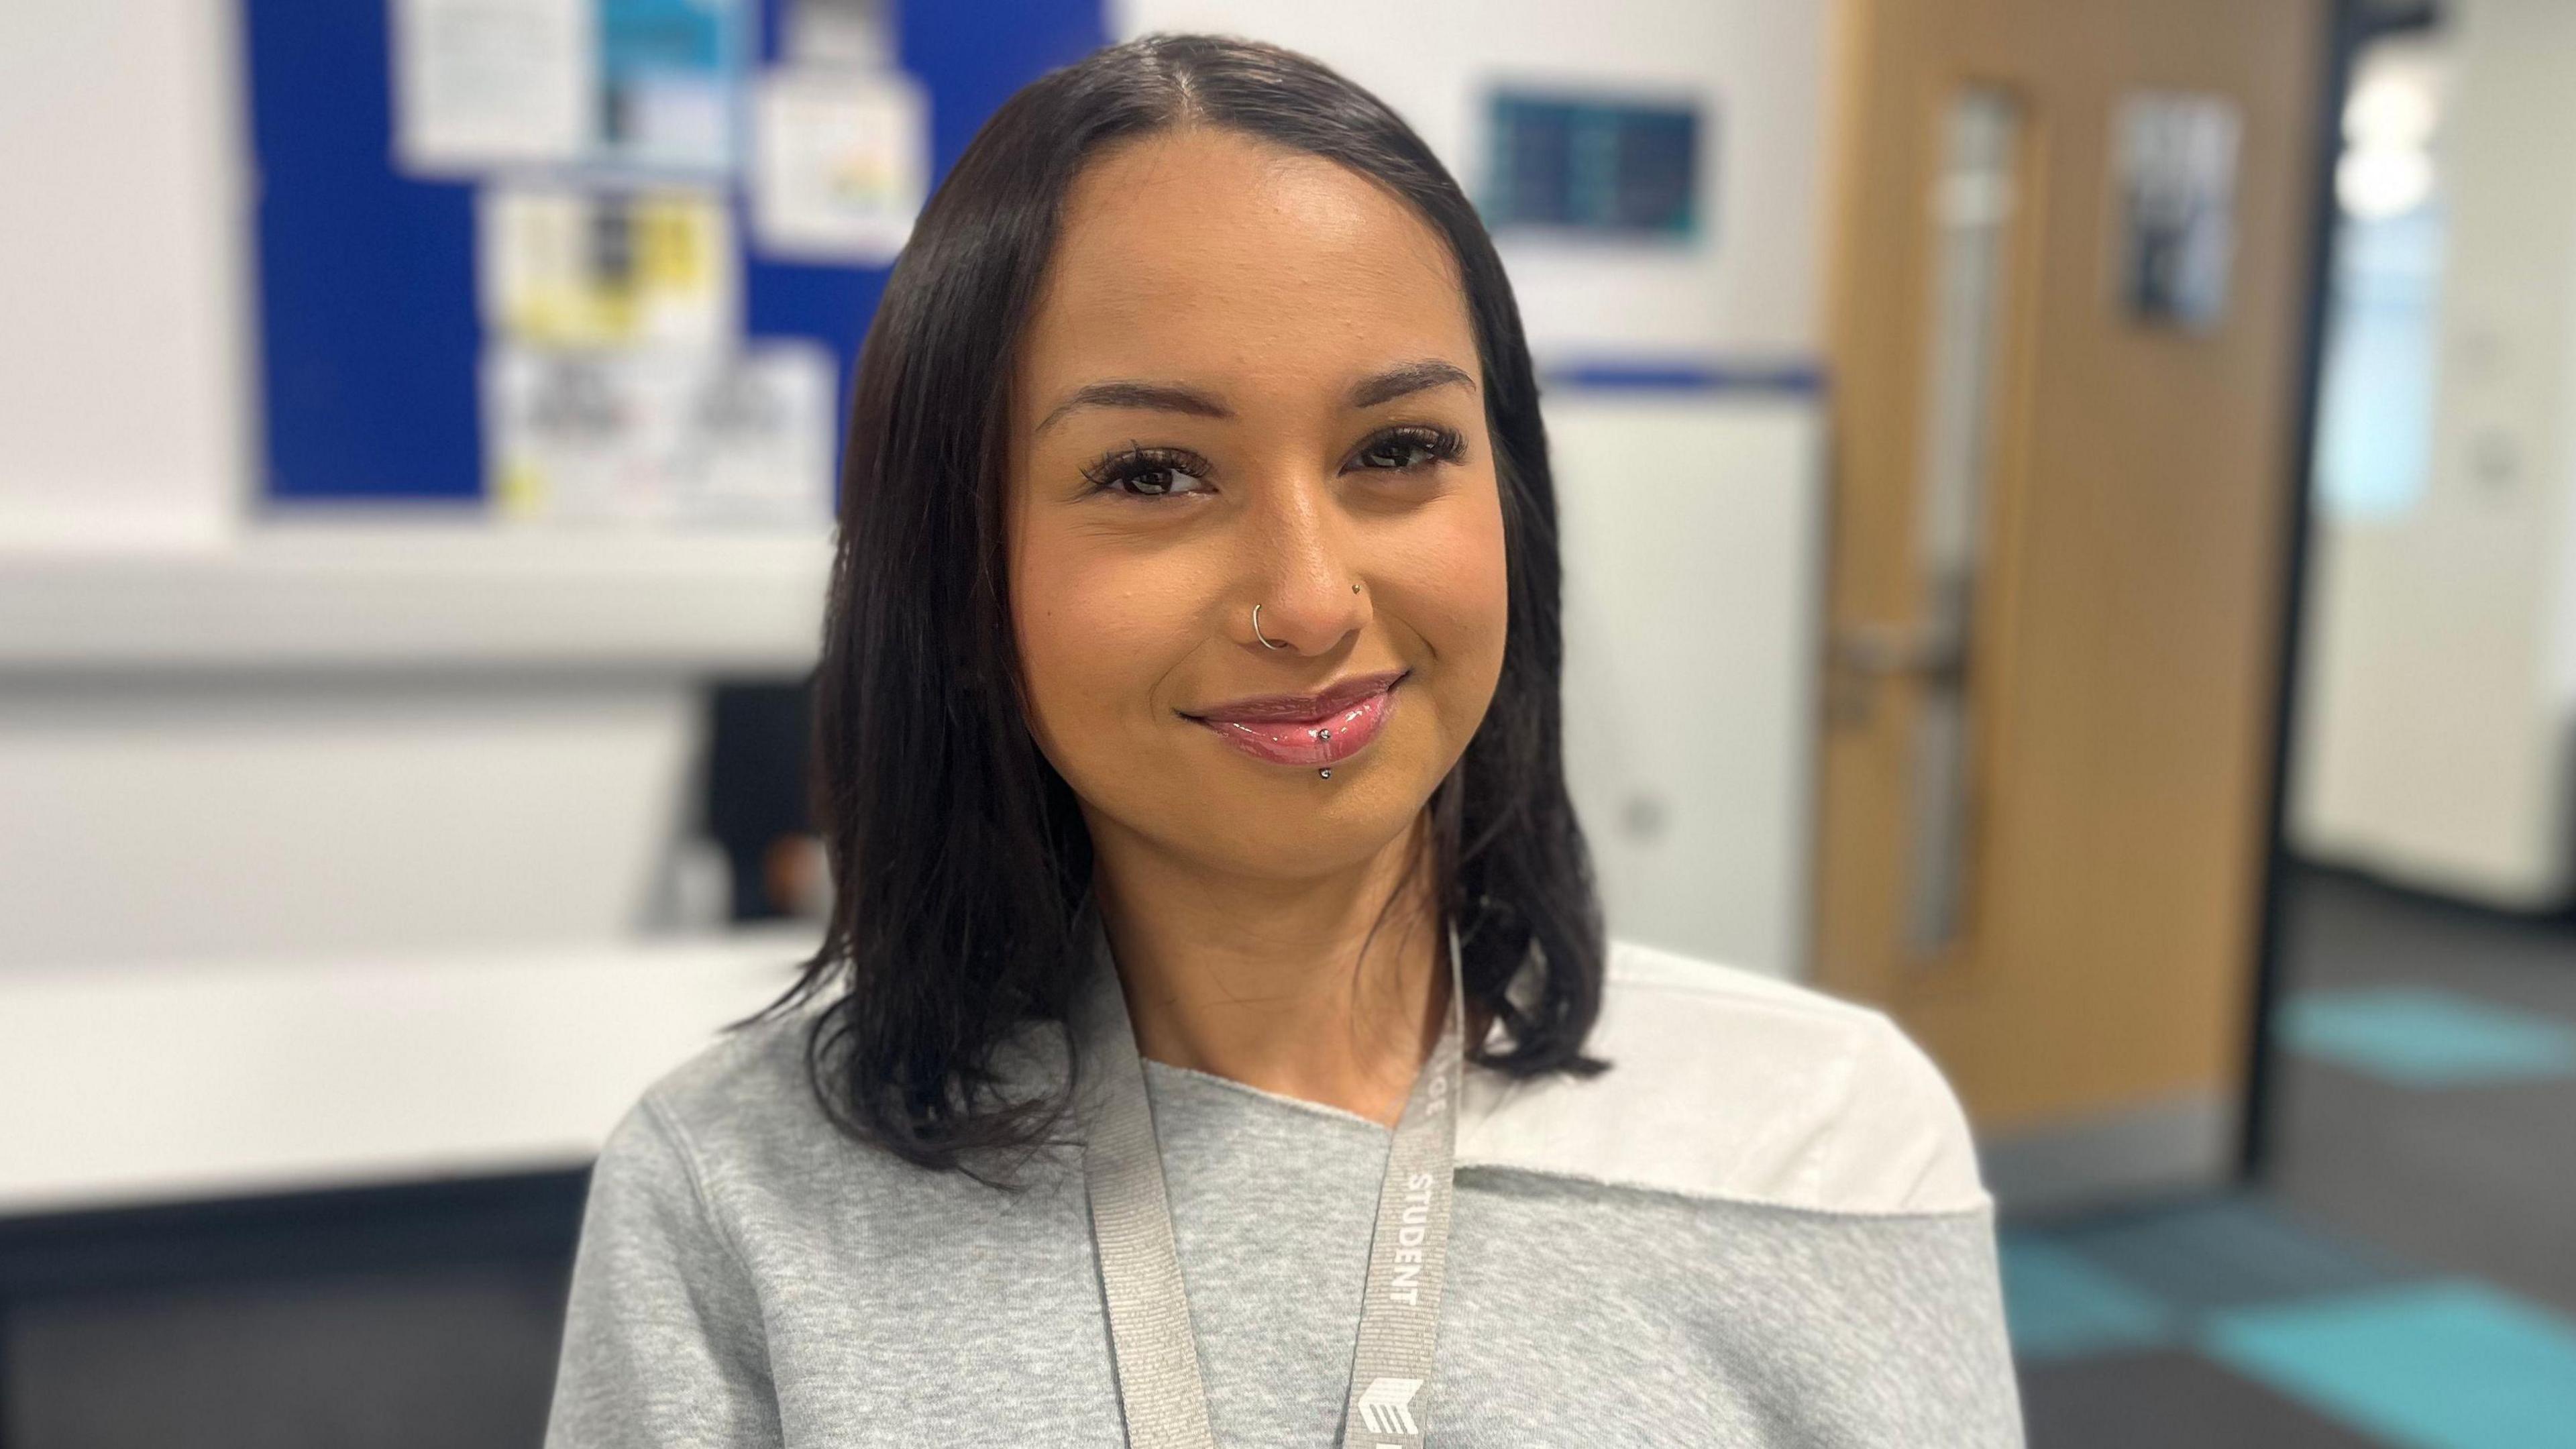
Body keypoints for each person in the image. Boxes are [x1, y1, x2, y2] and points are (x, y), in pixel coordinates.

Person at [546, 34, 2021, 1448]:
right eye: (1151, 471)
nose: (1313, 602)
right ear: (957, 563)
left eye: (1397, 450)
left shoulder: (1827, 1144)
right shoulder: (734, 1201)